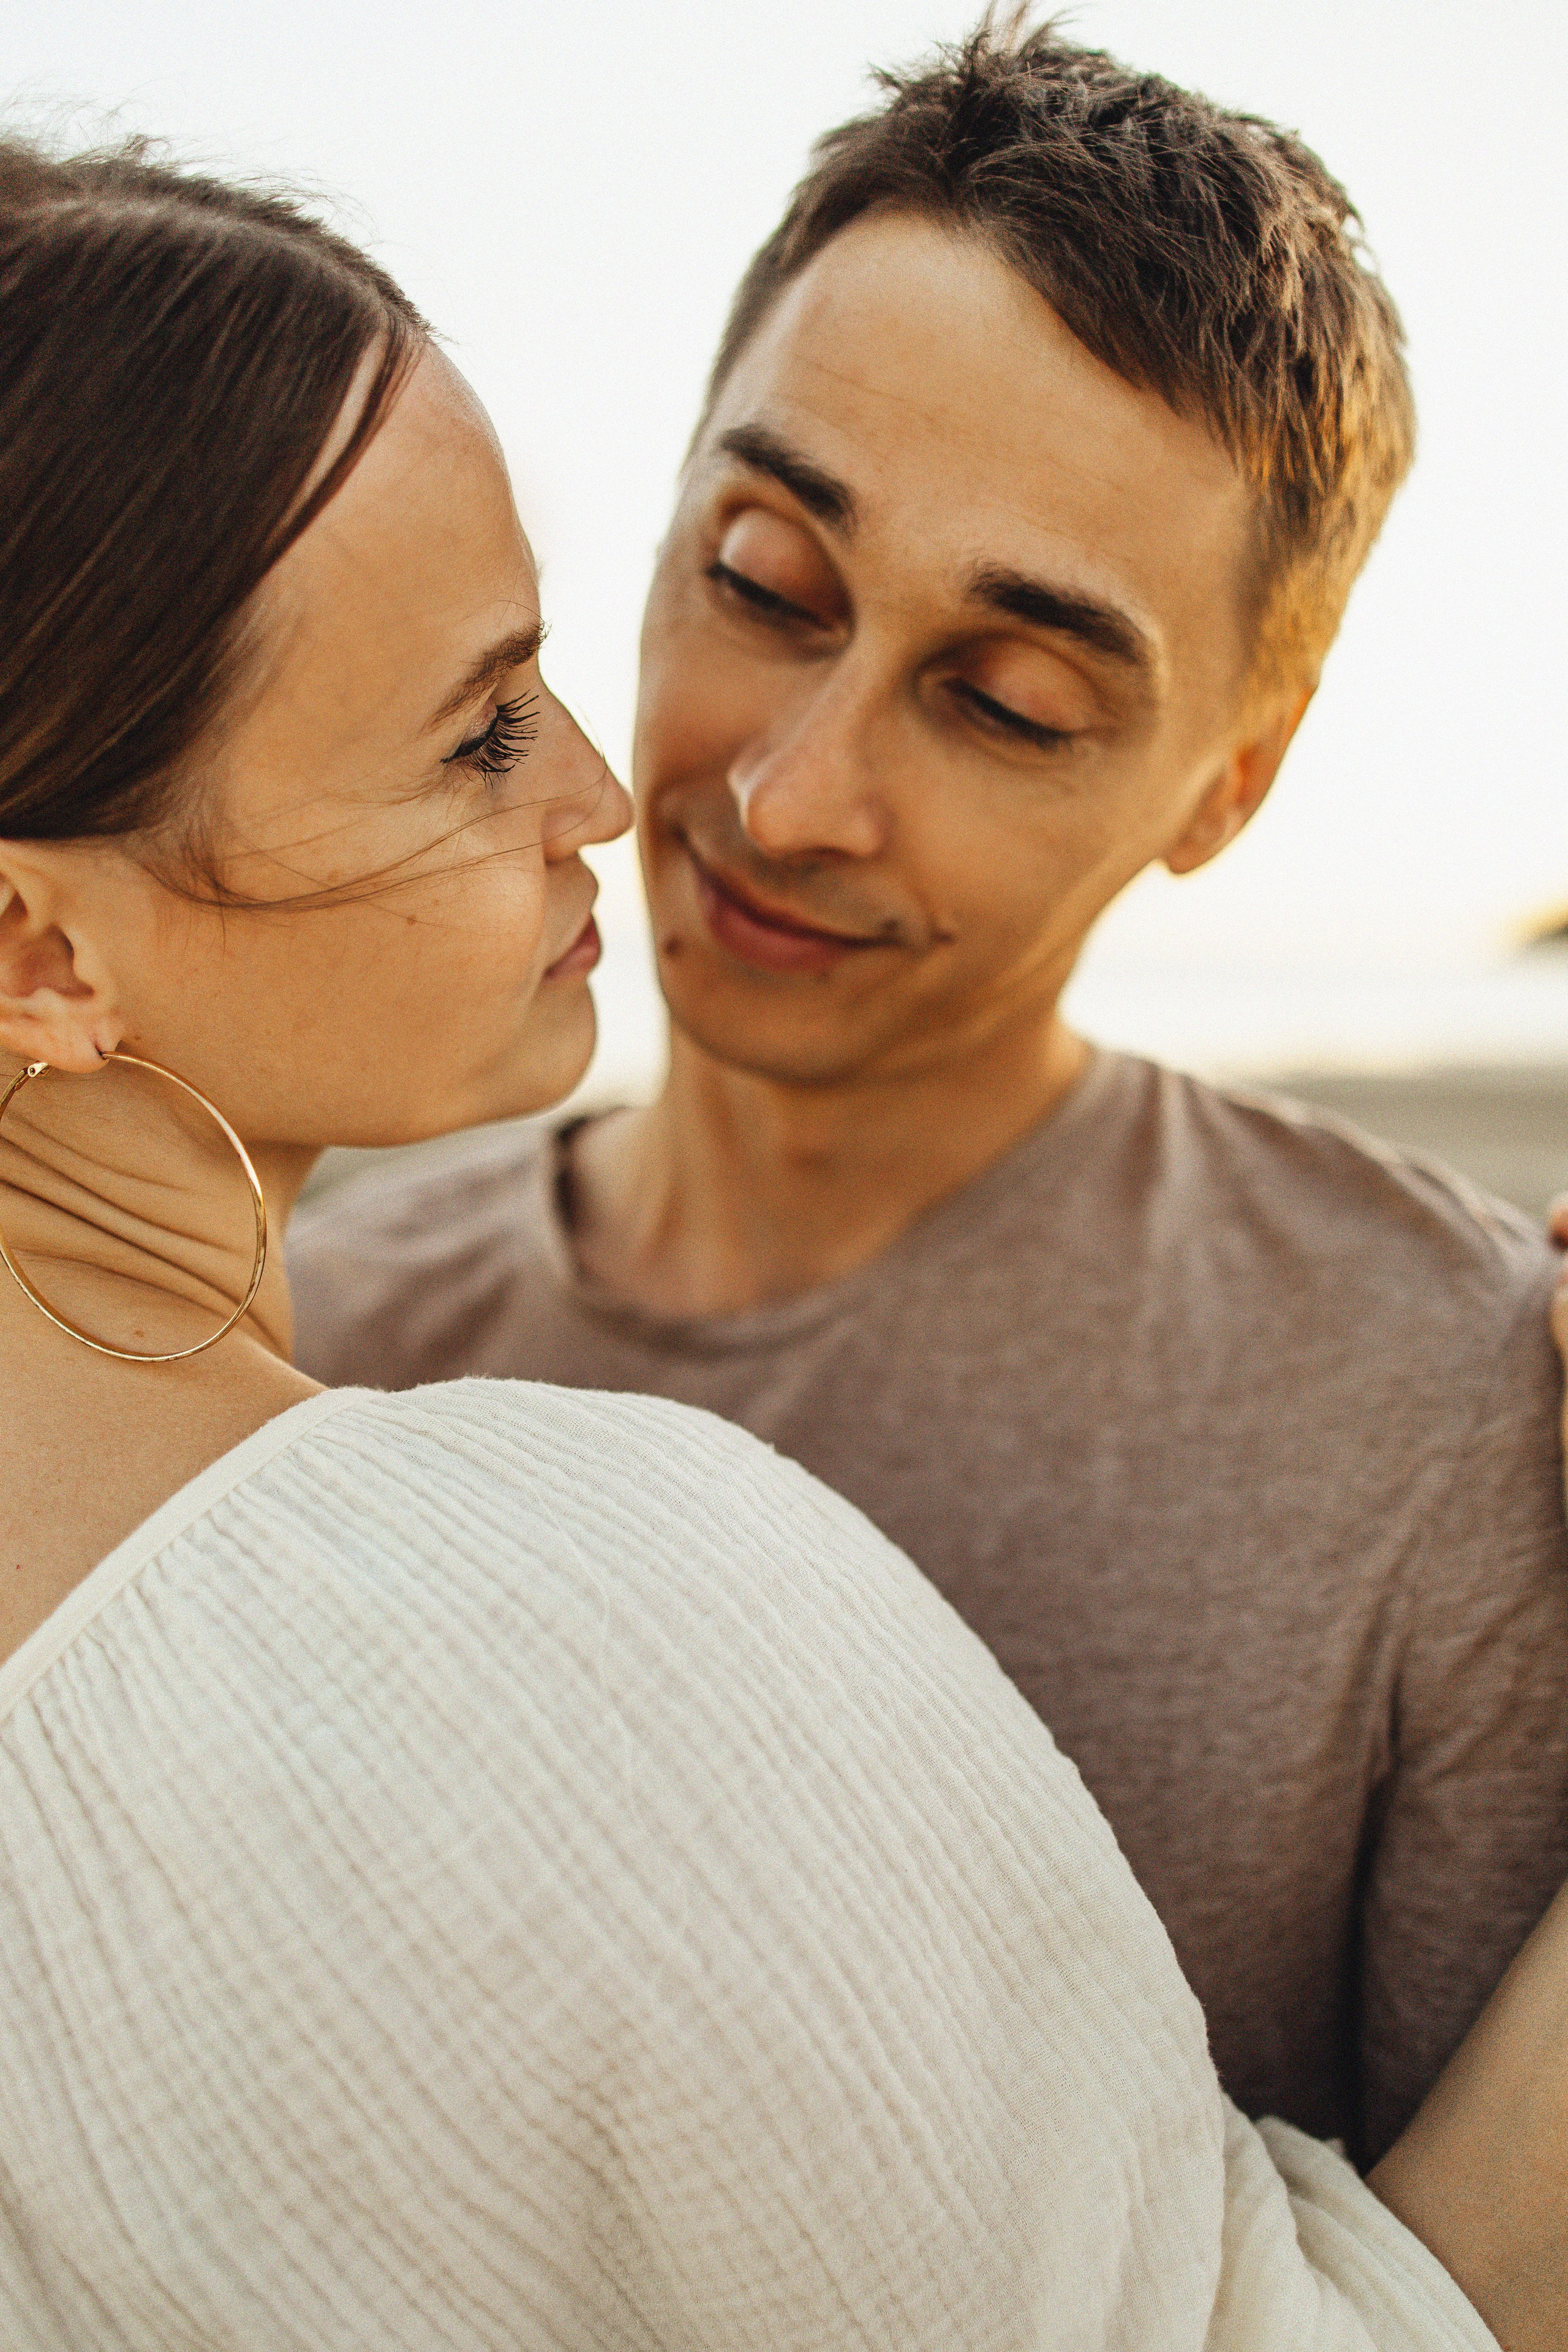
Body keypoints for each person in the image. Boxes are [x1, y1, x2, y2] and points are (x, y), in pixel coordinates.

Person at [0, 129, 1556, 2352]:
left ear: (1232, 782)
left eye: (1007, 700)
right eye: (762, 576)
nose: (777, 794)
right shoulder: (304, 1328)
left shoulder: (1449, 1393)